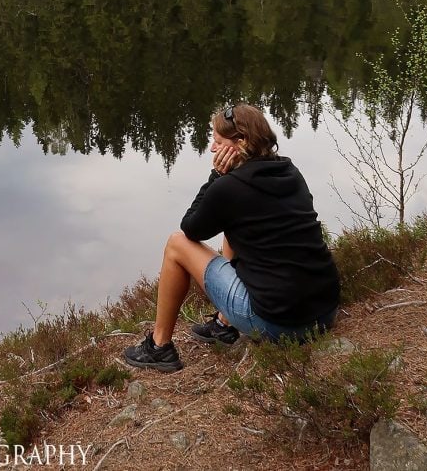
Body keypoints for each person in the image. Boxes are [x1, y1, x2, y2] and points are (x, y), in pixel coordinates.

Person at [123, 104, 341, 372]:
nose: (212, 149)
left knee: (176, 244)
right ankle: (224, 324)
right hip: (324, 314)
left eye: (217, 142)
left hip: (278, 325)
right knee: (233, 224)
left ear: (241, 143)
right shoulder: (290, 172)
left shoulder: (229, 187)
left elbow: (190, 228)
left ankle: (159, 347)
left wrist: (215, 176)